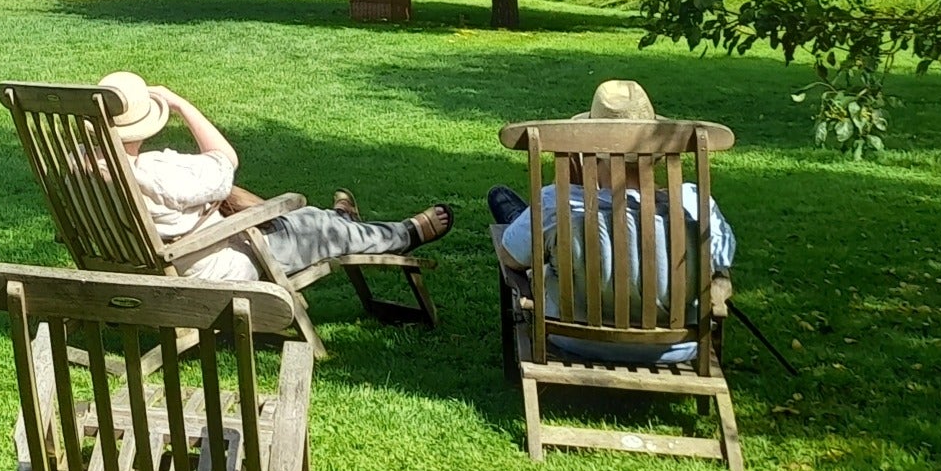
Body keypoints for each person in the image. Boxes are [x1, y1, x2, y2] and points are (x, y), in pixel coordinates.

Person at [97, 71, 452, 283]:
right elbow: (224, 159)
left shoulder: (77, 169)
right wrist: (182, 105)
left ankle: (342, 220)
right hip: (214, 266)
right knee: (309, 220)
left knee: (272, 211)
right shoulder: (158, 175)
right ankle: (402, 234)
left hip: (149, 264)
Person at [489, 79, 738, 365]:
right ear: (657, 154)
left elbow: (510, 257)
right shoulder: (696, 204)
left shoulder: (557, 203)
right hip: (678, 345)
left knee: (536, 237)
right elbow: (721, 265)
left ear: (590, 150)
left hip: (575, 338)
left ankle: (517, 217)